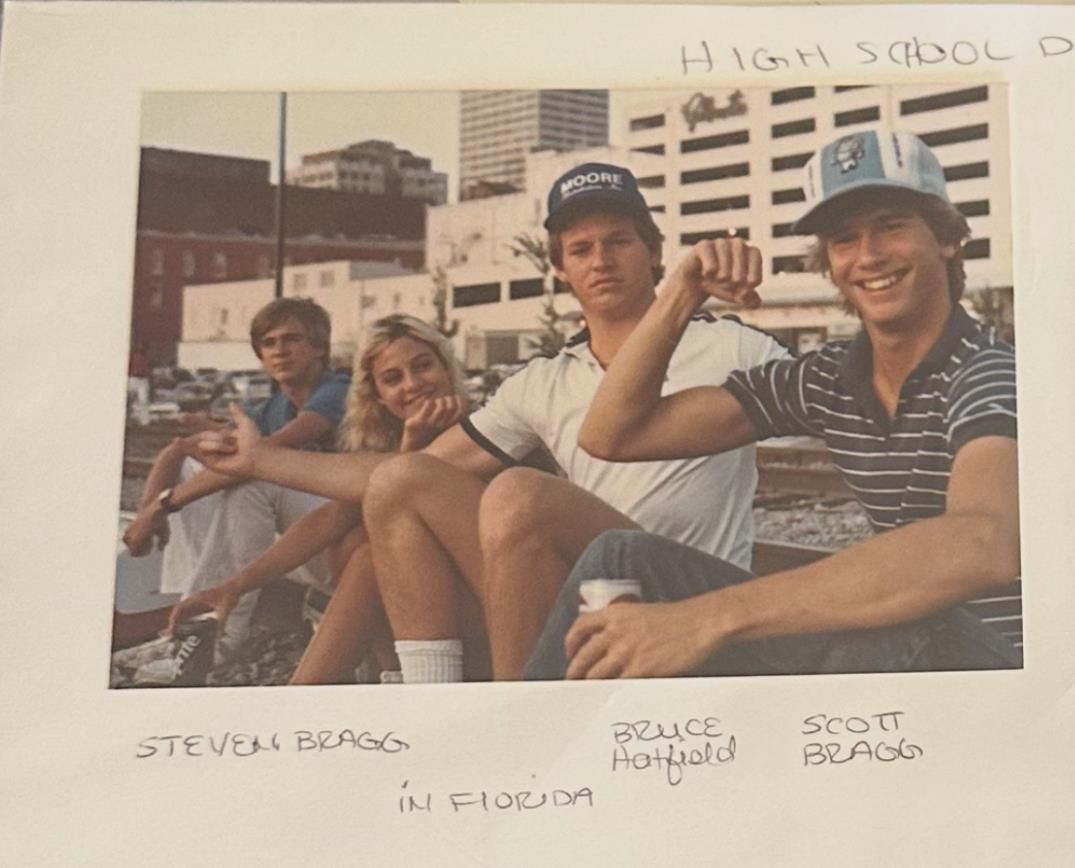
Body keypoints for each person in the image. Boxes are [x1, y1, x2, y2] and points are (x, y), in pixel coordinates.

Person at [199, 162, 789, 683]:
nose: (602, 260)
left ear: (655, 252)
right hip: (590, 591)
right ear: (559, 268)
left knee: (516, 493)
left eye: (620, 242)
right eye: (581, 250)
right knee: (402, 483)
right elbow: (406, 475)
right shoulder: (544, 380)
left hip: (689, 598)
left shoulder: (734, 347)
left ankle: (512, 716)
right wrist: (260, 461)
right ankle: (431, 699)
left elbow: (844, 410)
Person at [527, 128, 1021, 680]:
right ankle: (538, 744)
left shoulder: (988, 371)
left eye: (891, 226)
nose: (869, 255)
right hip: (903, 647)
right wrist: (683, 292)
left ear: (947, 239)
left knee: (901, 610)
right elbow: (611, 435)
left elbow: (984, 544)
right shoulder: (828, 380)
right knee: (621, 557)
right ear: (828, 263)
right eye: (844, 239)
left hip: (1001, 670)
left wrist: (705, 619)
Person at [168, 315, 469, 684]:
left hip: (479, 595)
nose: (413, 385)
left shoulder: (481, 425)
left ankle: (323, 689)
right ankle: (377, 675)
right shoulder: (389, 438)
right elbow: (329, 519)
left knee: (367, 549)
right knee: (358, 540)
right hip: (422, 595)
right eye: (393, 379)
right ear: (377, 395)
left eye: (423, 366)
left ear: (446, 365)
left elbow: (411, 479)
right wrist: (235, 585)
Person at [122, 297, 350, 654]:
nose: (280, 351)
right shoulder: (273, 407)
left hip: (346, 537)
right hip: (308, 534)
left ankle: (219, 637)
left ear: (319, 348)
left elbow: (257, 460)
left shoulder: (337, 391)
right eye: (269, 343)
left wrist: (161, 508)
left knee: (254, 478)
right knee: (198, 467)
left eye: (292, 339)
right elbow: (181, 449)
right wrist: (146, 510)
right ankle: (189, 612)